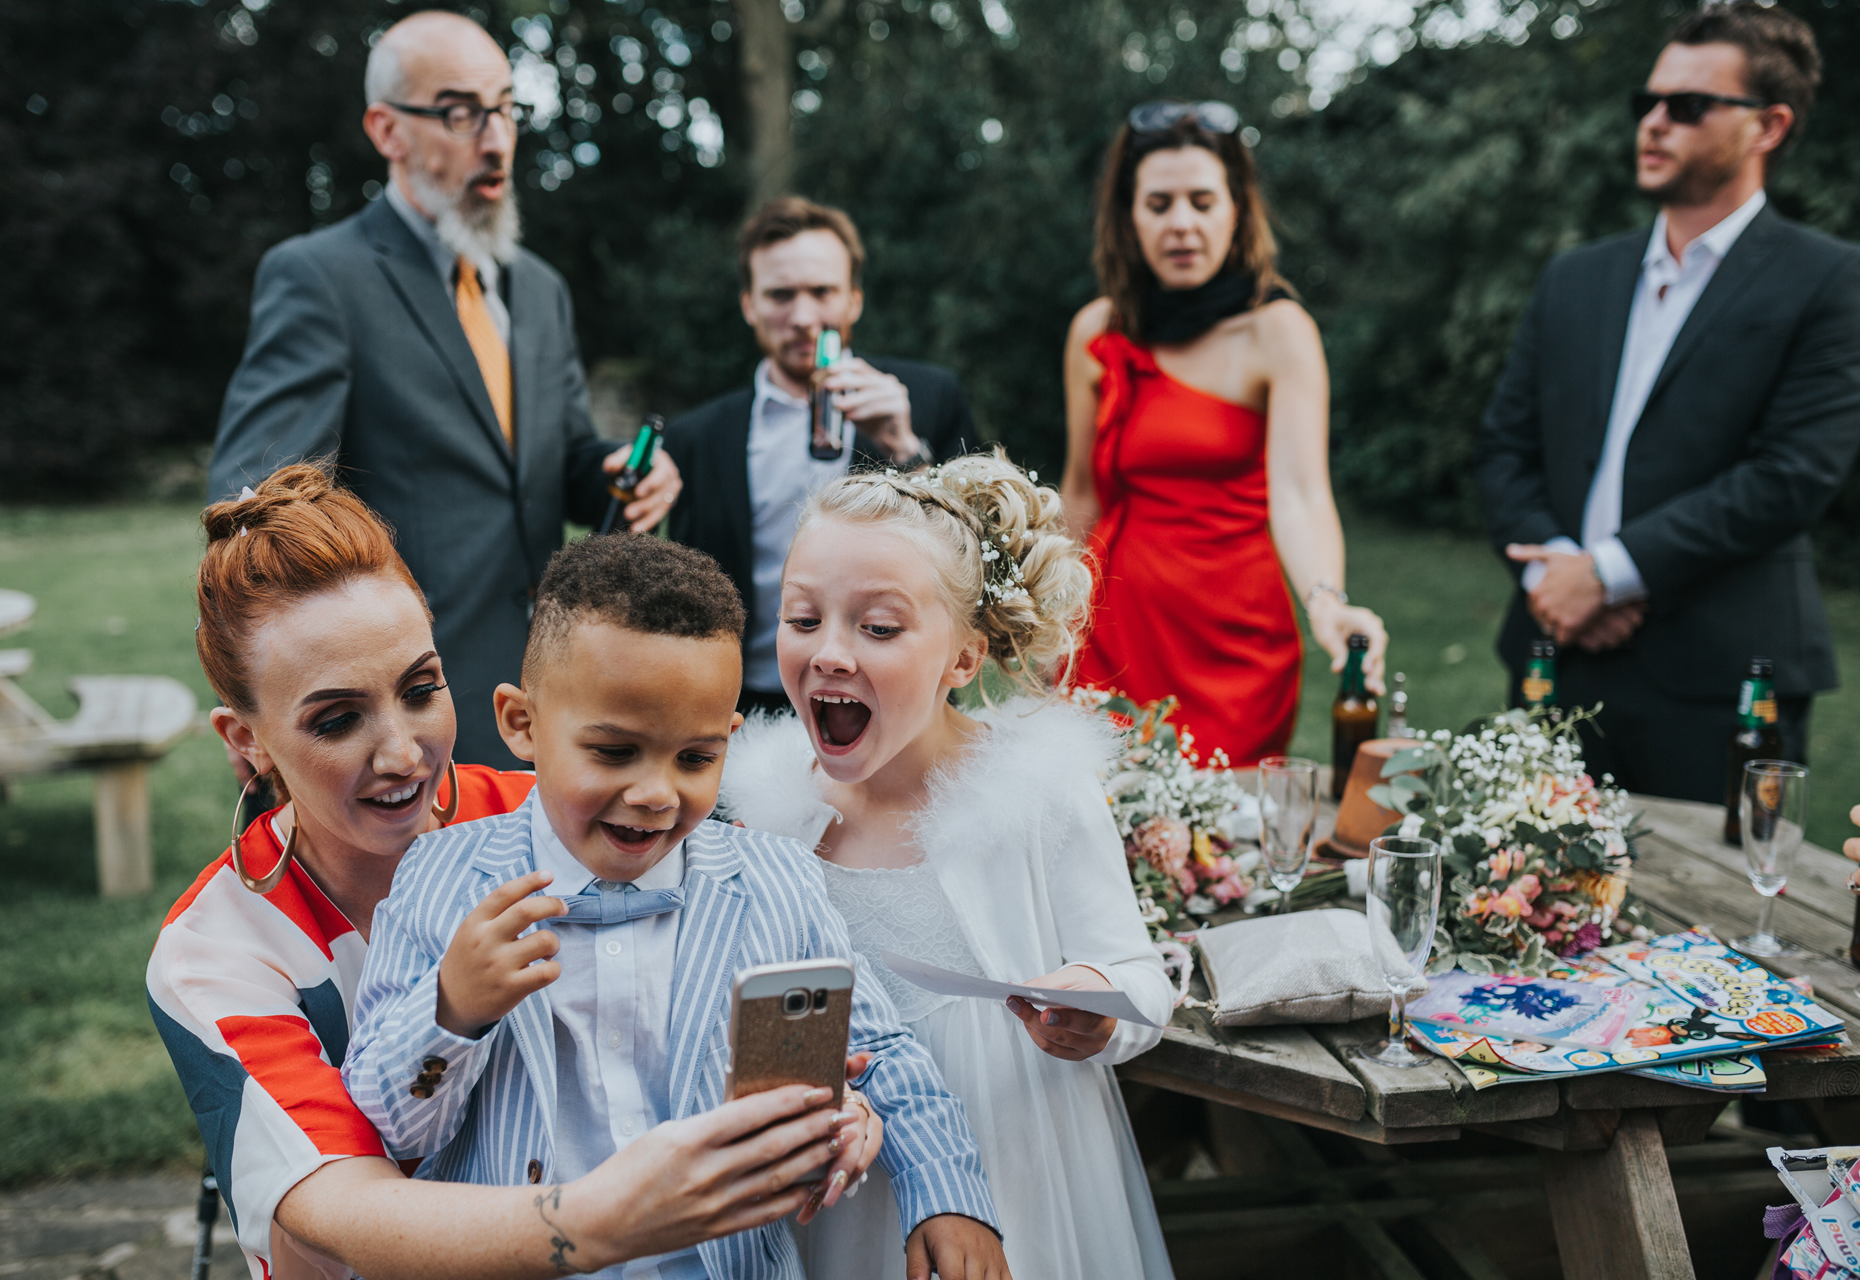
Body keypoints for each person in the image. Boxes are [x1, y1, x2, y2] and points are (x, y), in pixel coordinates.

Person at [149, 465, 867, 1280]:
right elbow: (341, 1209)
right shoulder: (215, 948)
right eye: (338, 718)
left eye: (421, 689)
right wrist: (601, 1222)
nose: (402, 752)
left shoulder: (576, 813)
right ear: (245, 742)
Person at [342, 534, 1011, 1280]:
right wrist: (452, 1008)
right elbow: (385, 1123)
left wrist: (945, 1193)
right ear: (521, 723)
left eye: (694, 758)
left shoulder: (775, 884)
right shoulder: (441, 879)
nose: (658, 793)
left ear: (728, 738)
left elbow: (879, 1052)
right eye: (614, 752)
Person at [719, 453, 1176, 1280]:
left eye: (878, 628)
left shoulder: (1034, 795)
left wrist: (1097, 1006)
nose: (828, 652)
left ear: (963, 658)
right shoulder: (765, 813)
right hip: (836, 1194)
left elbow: (1139, 972)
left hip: (1018, 1173)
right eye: (802, 618)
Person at [207, 10, 681, 771]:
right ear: (387, 130)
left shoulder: (538, 288)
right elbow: (261, 499)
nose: (495, 139)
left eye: (505, 108)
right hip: (399, 711)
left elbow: (553, 463)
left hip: (545, 691)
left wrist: (615, 470)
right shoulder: (322, 278)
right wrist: (268, 691)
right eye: (461, 112)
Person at [1477, 2, 1860, 799]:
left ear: (1769, 126)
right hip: (1556, 654)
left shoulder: (1828, 281)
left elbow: (1793, 473)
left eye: (1687, 106)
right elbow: (1504, 450)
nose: (1654, 123)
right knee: (1526, 908)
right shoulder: (1575, 277)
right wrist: (1558, 578)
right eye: (1646, 103)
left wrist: (1611, 573)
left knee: (1709, 917)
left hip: (1718, 678)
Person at [1061, 101, 1387, 768]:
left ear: (1237, 209)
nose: (1182, 224)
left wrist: (1327, 602)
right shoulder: (1095, 332)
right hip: (1112, 632)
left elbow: (1299, 494)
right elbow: (1080, 493)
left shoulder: (1278, 331)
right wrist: (1043, 617)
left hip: (1232, 649)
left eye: (1202, 201)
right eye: (1159, 204)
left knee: (1220, 857)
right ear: (1129, 216)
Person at [668, 197, 979, 719]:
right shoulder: (697, 436)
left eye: (822, 292)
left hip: (889, 698)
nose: (804, 317)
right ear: (749, 304)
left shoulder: (929, 398)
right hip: (738, 704)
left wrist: (905, 447)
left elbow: (977, 557)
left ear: (854, 300)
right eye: (780, 295)